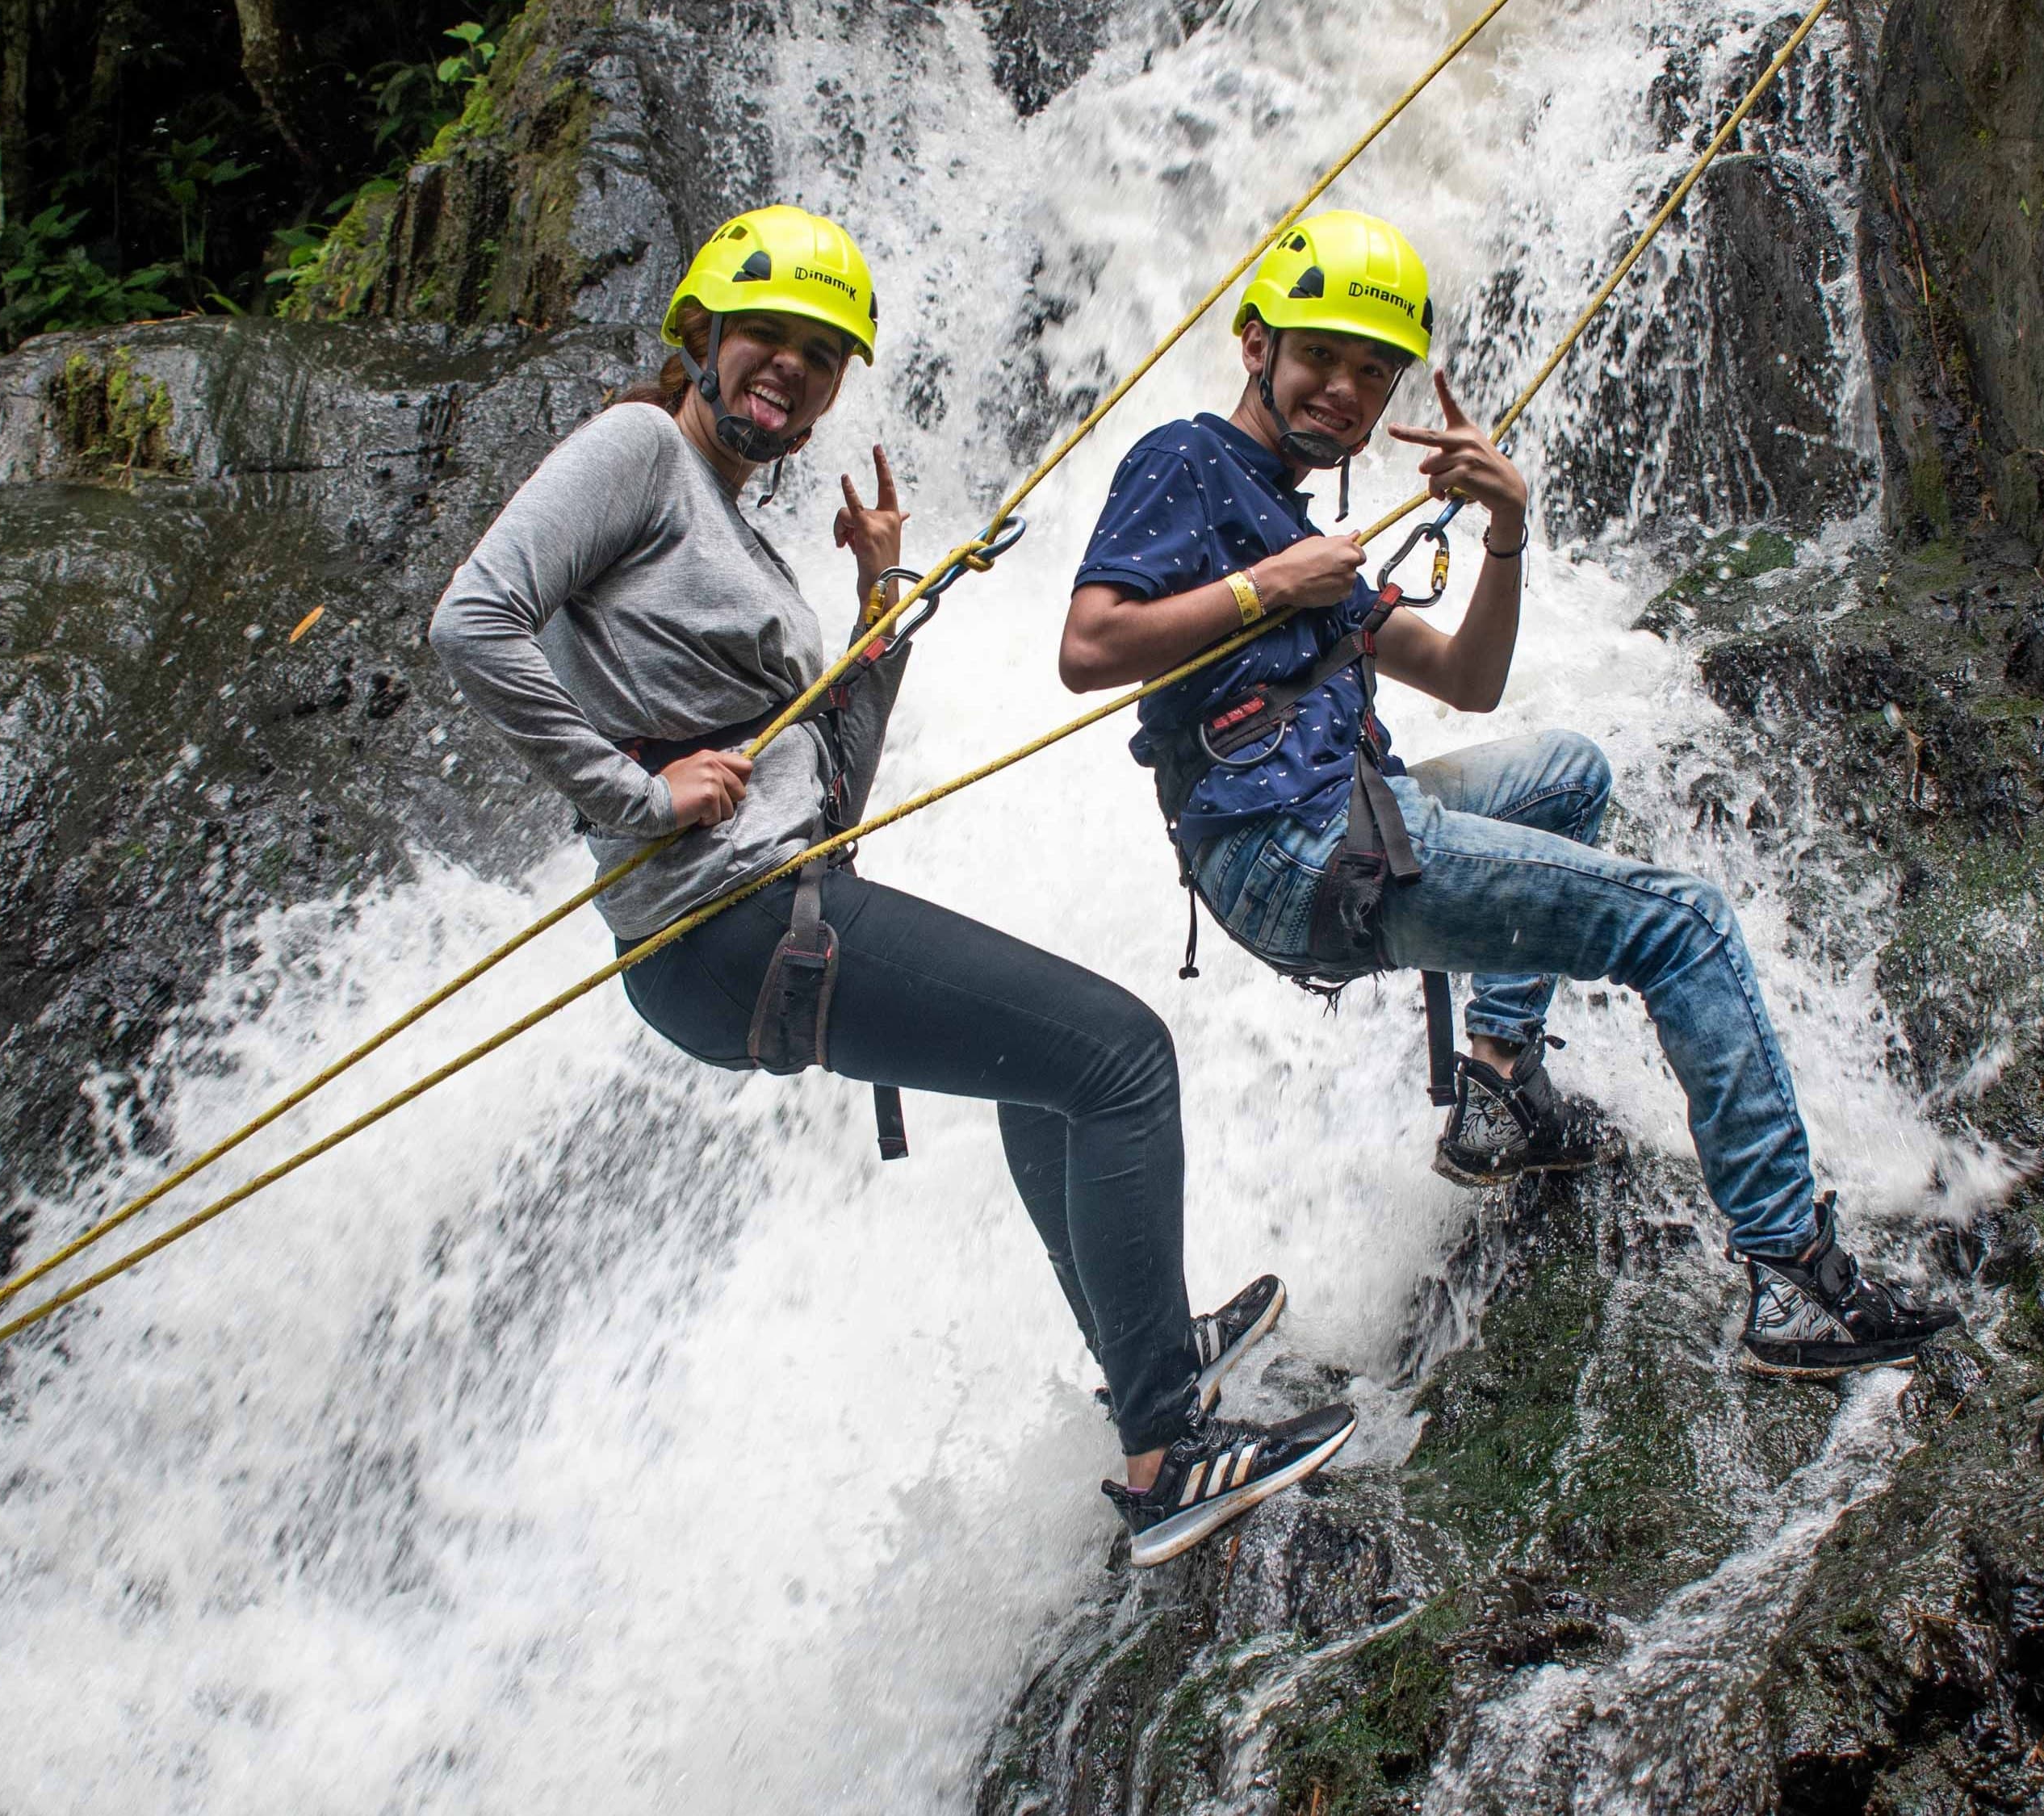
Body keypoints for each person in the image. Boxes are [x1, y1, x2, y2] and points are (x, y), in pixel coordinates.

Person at [430, 203, 1356, 1564]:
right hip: (727, 921)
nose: (792, 373)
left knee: (1056, 1071)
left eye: (821, 358)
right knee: (1122, 1058)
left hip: (761, 914)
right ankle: (1168, 1449)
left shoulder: (734, 537)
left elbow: (831, 792)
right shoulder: (637, 450)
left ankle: (1143, 1343)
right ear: (700, 330)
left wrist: (876, 605)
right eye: (769, 338)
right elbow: (474, 618)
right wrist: (636, 795)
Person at [1058, 209, 1960, 1377]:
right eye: (1322, 356)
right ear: (1254, 345)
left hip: (1345, 816)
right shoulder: (1186, 460)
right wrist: (1274, 586)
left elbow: (1468, 680)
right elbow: (1090, 645)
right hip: (1291, 845)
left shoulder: (1300, 524)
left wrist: (1508, 530)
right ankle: (1794, 1278)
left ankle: (1502, 1082)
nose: (1346, 388)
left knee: (1569, 771)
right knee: (1681, 926)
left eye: (1372, 372)